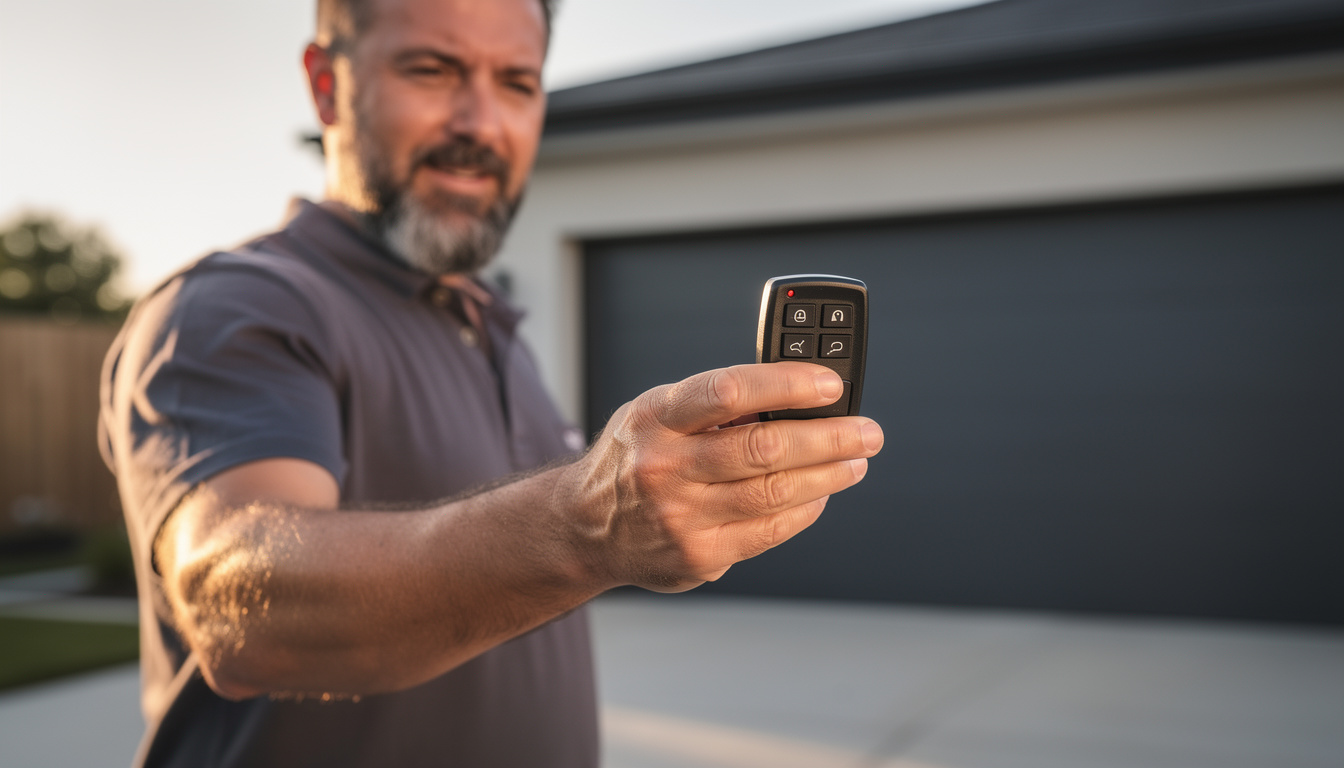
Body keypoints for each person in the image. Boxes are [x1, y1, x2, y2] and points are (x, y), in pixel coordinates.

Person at [98, 0, 885, 765]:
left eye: (517, 82)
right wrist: (584, 524)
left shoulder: (490, 323)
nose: (480, 124)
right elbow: (240, 602)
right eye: (432, 70)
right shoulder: (234, 305)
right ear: (327, 85)